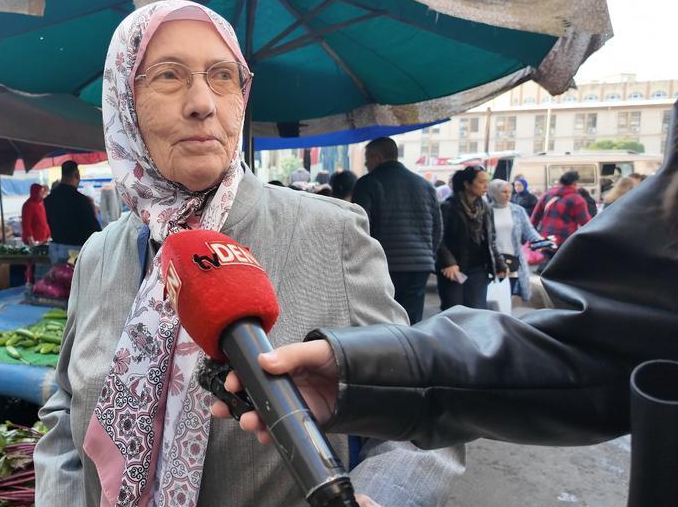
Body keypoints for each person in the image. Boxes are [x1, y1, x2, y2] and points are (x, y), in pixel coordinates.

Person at [32, 0, 462, 507]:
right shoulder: (101, 254)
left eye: (223, 76)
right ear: (123, 99)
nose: (202, 102)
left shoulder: (331, 234)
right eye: (168, 75)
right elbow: (64, 407)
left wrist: (380, 503)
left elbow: (415, 419)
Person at [212, 145, 678, 451]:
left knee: (401, 323)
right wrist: (380, 365)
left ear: (373, 158)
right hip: (418, 265)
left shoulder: (361, 200)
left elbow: (604, 343)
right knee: (407, 321)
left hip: (398, 261)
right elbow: (601, 345)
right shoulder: (427, 189)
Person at [351, 137, 442, 324]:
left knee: (382, 320)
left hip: (382, 263)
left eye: (367, 159)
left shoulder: (368, 183)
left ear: (376, 157)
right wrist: (427, 254)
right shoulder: (425, 185)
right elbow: (438, 228)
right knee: (411, 321)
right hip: (419, 264)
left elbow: (359, 225)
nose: (366, 164)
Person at [435, 166, 507, 310]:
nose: (486, 186)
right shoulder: (447, 207)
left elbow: (490, 240)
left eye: (487, 182)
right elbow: (437, 238)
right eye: (481, 182)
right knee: (454, 311)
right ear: (467, 184)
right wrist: (449, 262)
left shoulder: (485, 208)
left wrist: (500, 264)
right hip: (454, 269)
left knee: (476, 311)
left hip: (479, 269)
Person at [487, 179, 547, 305]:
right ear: (494, 193)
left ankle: (505, 316)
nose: (508, 195)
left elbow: (529, 231)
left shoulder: (518, 210)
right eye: (504, 192)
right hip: (491, 261)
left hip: (512, 261)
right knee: (490, 296)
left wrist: (542, 242)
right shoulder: (485, 211)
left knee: (507, 296)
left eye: (510, 191)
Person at [530, 170, 591, 252]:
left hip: (545, 238)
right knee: (564, 260)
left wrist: (532, 237)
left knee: (545, 258)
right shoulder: (577, 200)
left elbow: (535, 217)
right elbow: (586, 222)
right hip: (565, 240)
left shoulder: (547, 194)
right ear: (574, 183)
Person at [42, 161, 101, 246]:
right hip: (78, 249)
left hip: (56, 249)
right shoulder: (82, 200)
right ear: (77, 175)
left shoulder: (48, 200)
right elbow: (94, 230)